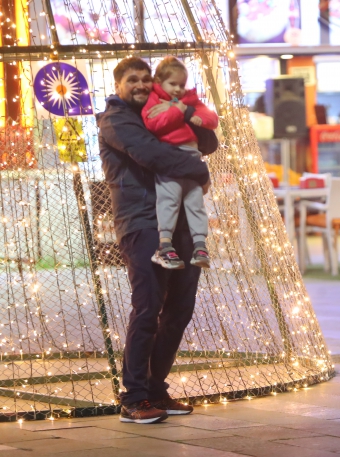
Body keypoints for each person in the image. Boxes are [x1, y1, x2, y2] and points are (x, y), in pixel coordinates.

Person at [98, 57, 218, 424]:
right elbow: (151, 155)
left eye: (145, 79)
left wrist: (187, 113)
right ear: (118, 85)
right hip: (143, 223)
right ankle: (133, 397)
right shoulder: (115, 120)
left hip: (179, 222)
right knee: (148, 309)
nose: (140, 85)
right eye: (132, 79)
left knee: (180, 310)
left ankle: (155, 388)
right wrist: (197, 169)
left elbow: (208, 141)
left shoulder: (159, 110)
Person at [142, 56, 219, 270]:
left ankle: (200, 245)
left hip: (192, 156)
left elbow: (211, 119)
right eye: (172, 84)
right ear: (159, 81)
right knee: (169, 200)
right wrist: (178, 110)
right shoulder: (154, 100)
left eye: (181, 85)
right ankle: (165, 244)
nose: (177, 89)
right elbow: (154, 124)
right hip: (171, 157)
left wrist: (185, 109)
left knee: (195, 203)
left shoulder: (187, 100)